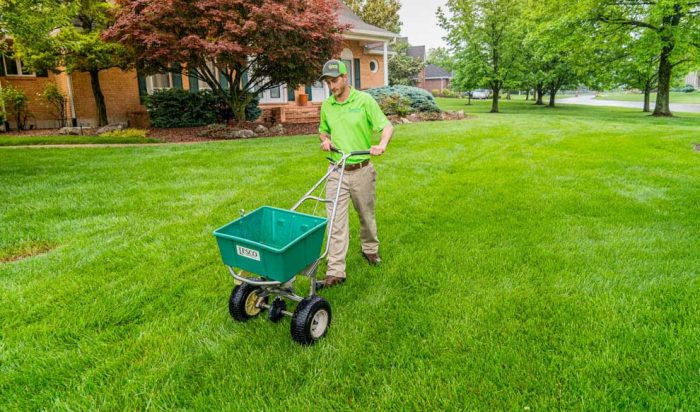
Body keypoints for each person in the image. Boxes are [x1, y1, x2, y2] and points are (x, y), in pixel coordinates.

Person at [316, 59, 394, 288]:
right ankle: (335, 271)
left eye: (335, 80)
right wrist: (326, 141)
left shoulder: (364, 100)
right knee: (335, 222)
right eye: (328, 82)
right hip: (336, 169)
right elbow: (323, 132)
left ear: (345, 77)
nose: (332, 86)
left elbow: (386, 126)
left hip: (361, 170)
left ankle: (370, 249)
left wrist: (382, 144)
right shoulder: (327, 106)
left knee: (366, 216)